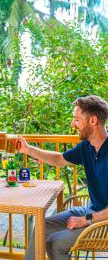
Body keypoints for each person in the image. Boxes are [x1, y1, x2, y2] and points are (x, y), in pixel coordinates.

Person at [17, 95, 108, 260]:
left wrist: (86, 219)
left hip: (103, 221)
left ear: (93, 121)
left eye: (77, 120)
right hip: (91, 210)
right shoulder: (87, 147)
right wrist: (28, 149)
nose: (73, 124)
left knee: (55, 243)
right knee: (41, 227)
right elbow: (59, 159)